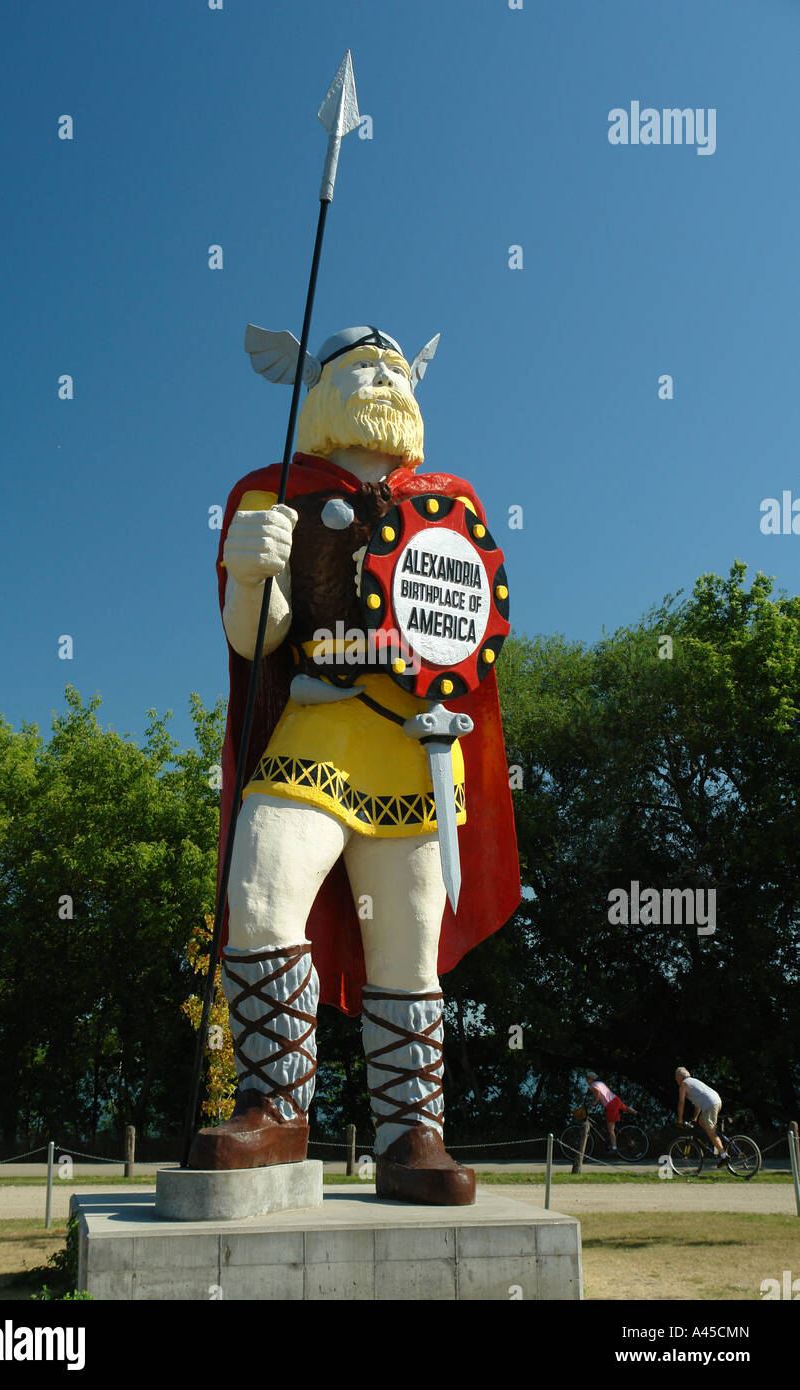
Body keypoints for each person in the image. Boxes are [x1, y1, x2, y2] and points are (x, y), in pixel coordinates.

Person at [188, 325, 521, 1205]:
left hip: (417, 751)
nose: (382, 375)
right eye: (360, 365)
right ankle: (273, 1107)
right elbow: (256, 642)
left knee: (409, 955)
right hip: (312, 734)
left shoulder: (452, 502)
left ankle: (415, 1135)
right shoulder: (274, 492)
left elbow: (472, 632)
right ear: (319, 387)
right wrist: (252, 573)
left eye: (392, 366)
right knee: (258, 894)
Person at [675, 1067, 728, 1162]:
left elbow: (681, 1102)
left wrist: (679, 1119)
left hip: (710, 1104)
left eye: (676, 1077)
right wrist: (695, 1117)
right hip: (717, 1100)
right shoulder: (693, 1081)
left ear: (679, 1076)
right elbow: (698, 1103)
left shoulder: (683, 1085)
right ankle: (719, 1149)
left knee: (710, 1131)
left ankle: (724, 1155)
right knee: (702, 1122)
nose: (675, 1079)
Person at [583, 1071, 637, 1153]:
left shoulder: (592, 1086)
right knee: (625, 1107)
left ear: (591, 1079)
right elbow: (603, 1095)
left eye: (587, 1078)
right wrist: (598, 1103)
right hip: (615, 1099)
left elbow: (597, 1092)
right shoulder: (600, 1083)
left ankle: (614, 1148)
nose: (586, 1080)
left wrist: (595, 1102)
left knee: (610, 1129)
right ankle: (636, 1113)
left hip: (611, 1105)